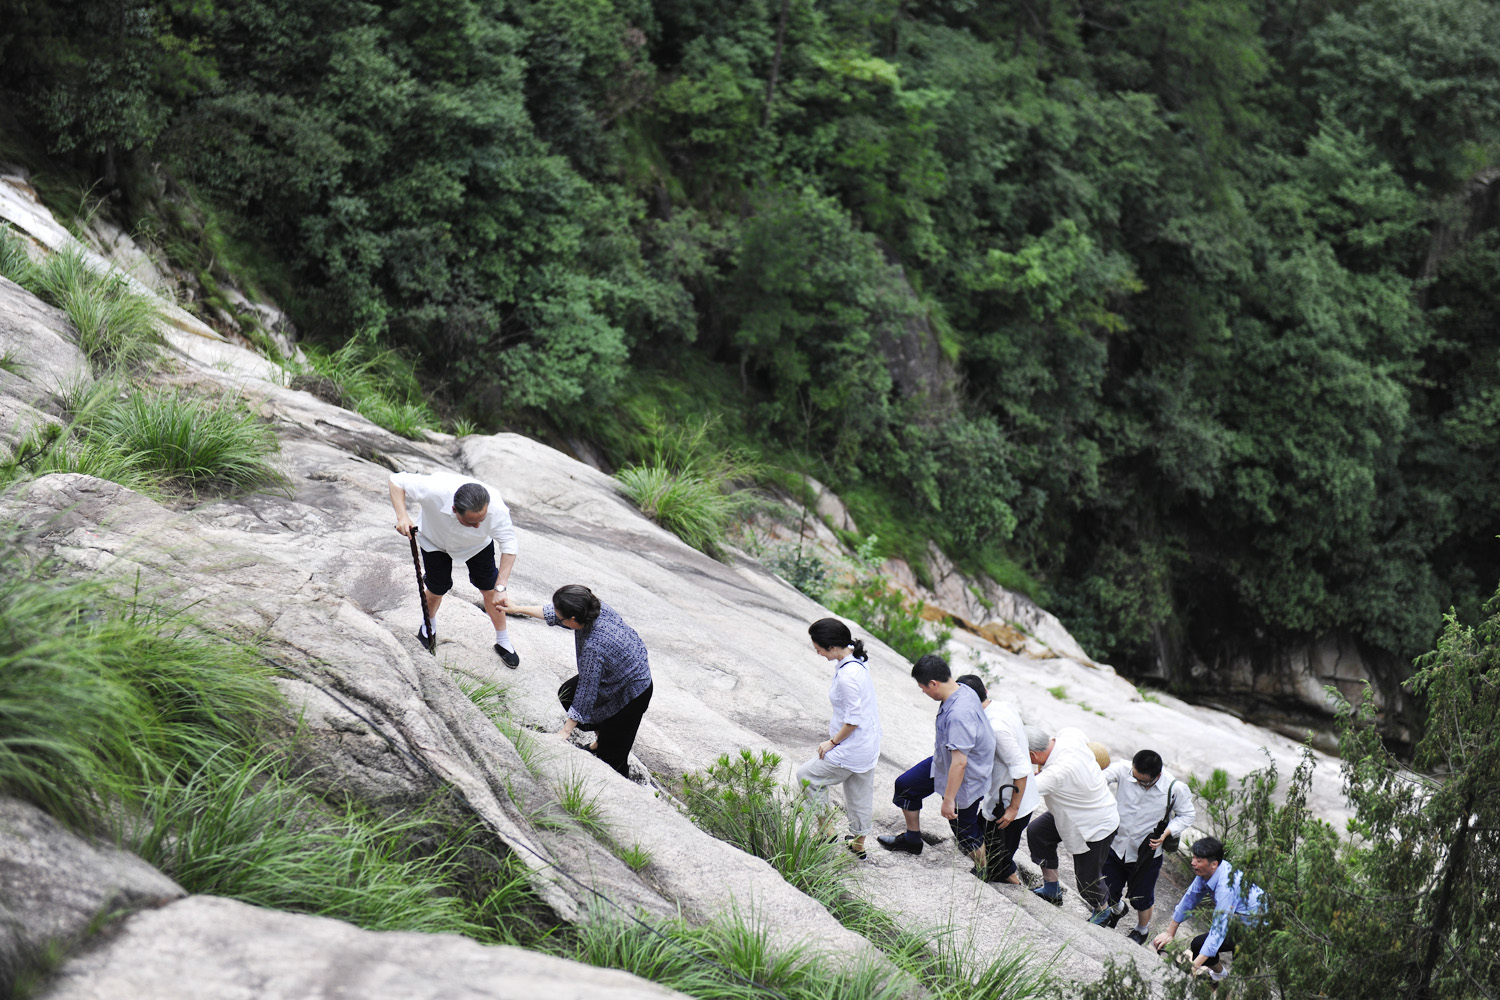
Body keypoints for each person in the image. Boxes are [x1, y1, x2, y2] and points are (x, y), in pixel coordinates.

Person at [500, 585, 652, 778]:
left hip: (633, 691)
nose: (556, 616)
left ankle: (624, 785)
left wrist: (565, 732)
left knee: (612, 759)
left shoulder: (593, 646)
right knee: (567, 695)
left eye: (561, 616)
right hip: (613, 676)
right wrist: (517, 608)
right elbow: (554, 614)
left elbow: (587, 691)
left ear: (573, 619)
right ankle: (599, 739)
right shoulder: (591, 609)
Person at [388, 471, 521, 666]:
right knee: (436, 587)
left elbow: (509, 544)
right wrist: (402, 516)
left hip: (477, 545)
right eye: (470, 521)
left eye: (481, 520)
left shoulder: (496, 508)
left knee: (490, 590)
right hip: (434, 540)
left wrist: (501, 586)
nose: (477, 525)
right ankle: (429, 624)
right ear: (454, 509)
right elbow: (396, 480)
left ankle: (503, 640)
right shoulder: (434, 489)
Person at [877, 655, 994, 874]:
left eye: (923, 688)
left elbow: (960, 763)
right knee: (906, 787)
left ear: (934, 683)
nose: (923, 692)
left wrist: (948, 800)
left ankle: (983, 870)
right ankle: (912, 840)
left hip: (965, 776)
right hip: (943, 762)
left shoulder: (959, 714)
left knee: (965, 831)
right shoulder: (962, 688)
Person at [796, 618, 883, 860]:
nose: (817, 652)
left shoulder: (847, 677)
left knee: (807, 776)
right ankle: (858, 843)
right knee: (859, 791)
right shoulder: (855, 659)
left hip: (852, 745)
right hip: (868, 743)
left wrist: (832, 742)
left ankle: (827, 829)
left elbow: (852, 720)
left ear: (833, 647)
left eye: (819, 648)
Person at [1101, 749, 1197, 944]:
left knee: (1141, 897)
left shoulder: (1174, 788)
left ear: (1157, 775)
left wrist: (1167, 833)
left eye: (1143, 781)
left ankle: (1141, 930)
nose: (1138, 783)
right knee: (1106, 887)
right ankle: (1115, 910)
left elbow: (1187, 815)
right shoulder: (1122, 769)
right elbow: (1098, 779)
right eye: (1135, 778)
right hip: (1118, 843)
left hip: (1147, 853)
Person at [1025, 725, 1120, 922]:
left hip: (1095, 825)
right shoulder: (1068, 735)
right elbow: (1084, 738)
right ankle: (1052, 889)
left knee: (1087, 879)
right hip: (1074, 811)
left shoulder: (1056, 773)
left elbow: (1024, 790)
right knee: (1038, 832)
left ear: (1033, 755)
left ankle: (1103, 910)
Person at [956, 674, 1037, 885]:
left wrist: (1013, 809)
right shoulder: (1003, 706)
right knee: (998, 855)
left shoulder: (995, 726)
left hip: (1009, 805)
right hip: (1011, 798)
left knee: (994, 862)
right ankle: (1008, 875)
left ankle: (1007, 880)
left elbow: (1020, 768)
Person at [1152, 836, 1266, 985]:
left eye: (1199, 861)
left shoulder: (1226, 888)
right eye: (1193, 858)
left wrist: (1195, 966)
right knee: (1198, 945)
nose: (1193, 863)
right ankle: (1220, 976)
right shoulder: (1207, 873)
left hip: (1258, 925)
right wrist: (1169, 932)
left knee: (1244, 975)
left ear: (1213, 864)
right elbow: (1189, 899)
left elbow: (1219, 929)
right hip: (1238, 921)